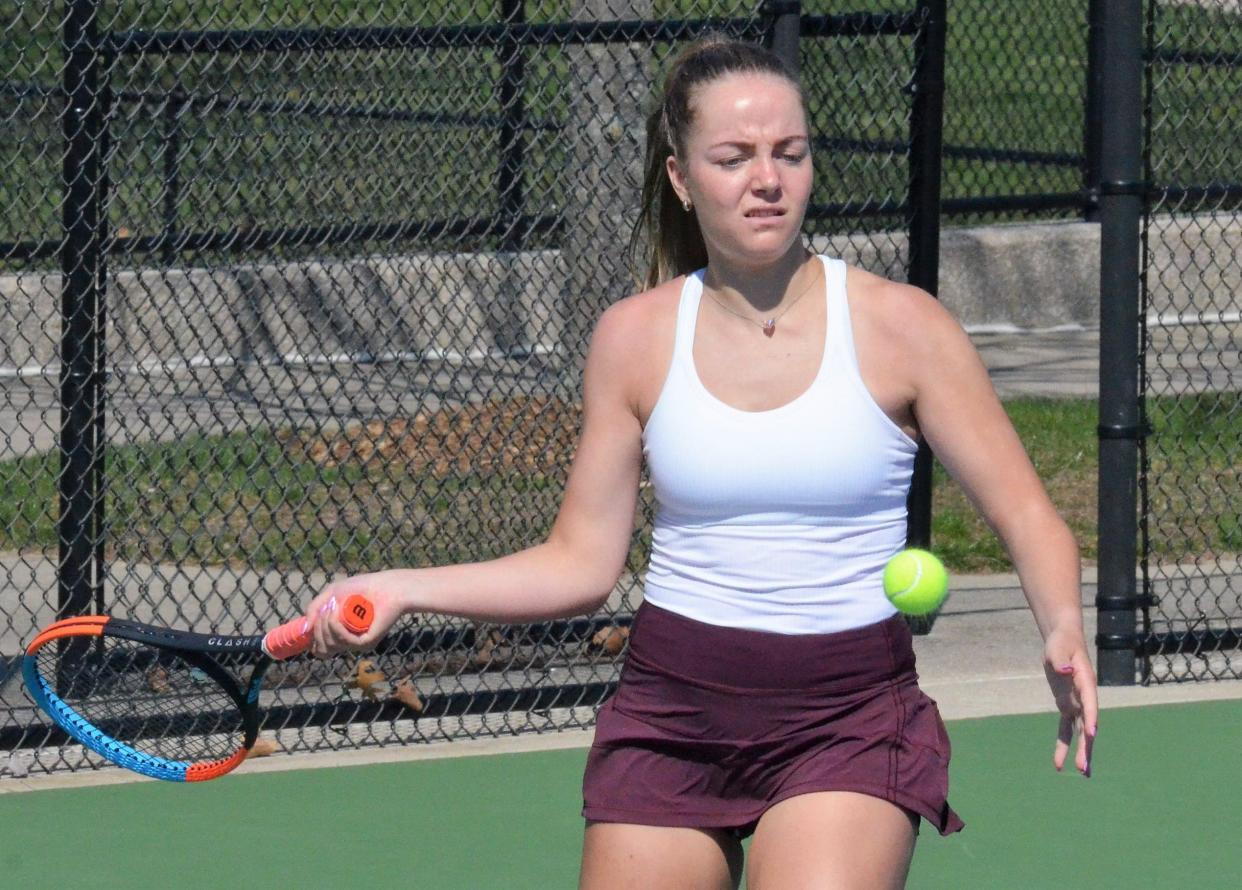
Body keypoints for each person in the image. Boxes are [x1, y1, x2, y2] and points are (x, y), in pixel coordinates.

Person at [304, 35, 1098, 890]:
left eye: (789, 153)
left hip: (849, 713)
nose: (768, 179)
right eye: (735, 157)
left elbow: (1026, 515)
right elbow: (579, 562)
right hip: (670, 707)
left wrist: (1059, 624)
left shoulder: (904, 327)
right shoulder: (634, 338)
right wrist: (402, 587)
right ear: (682, 178)